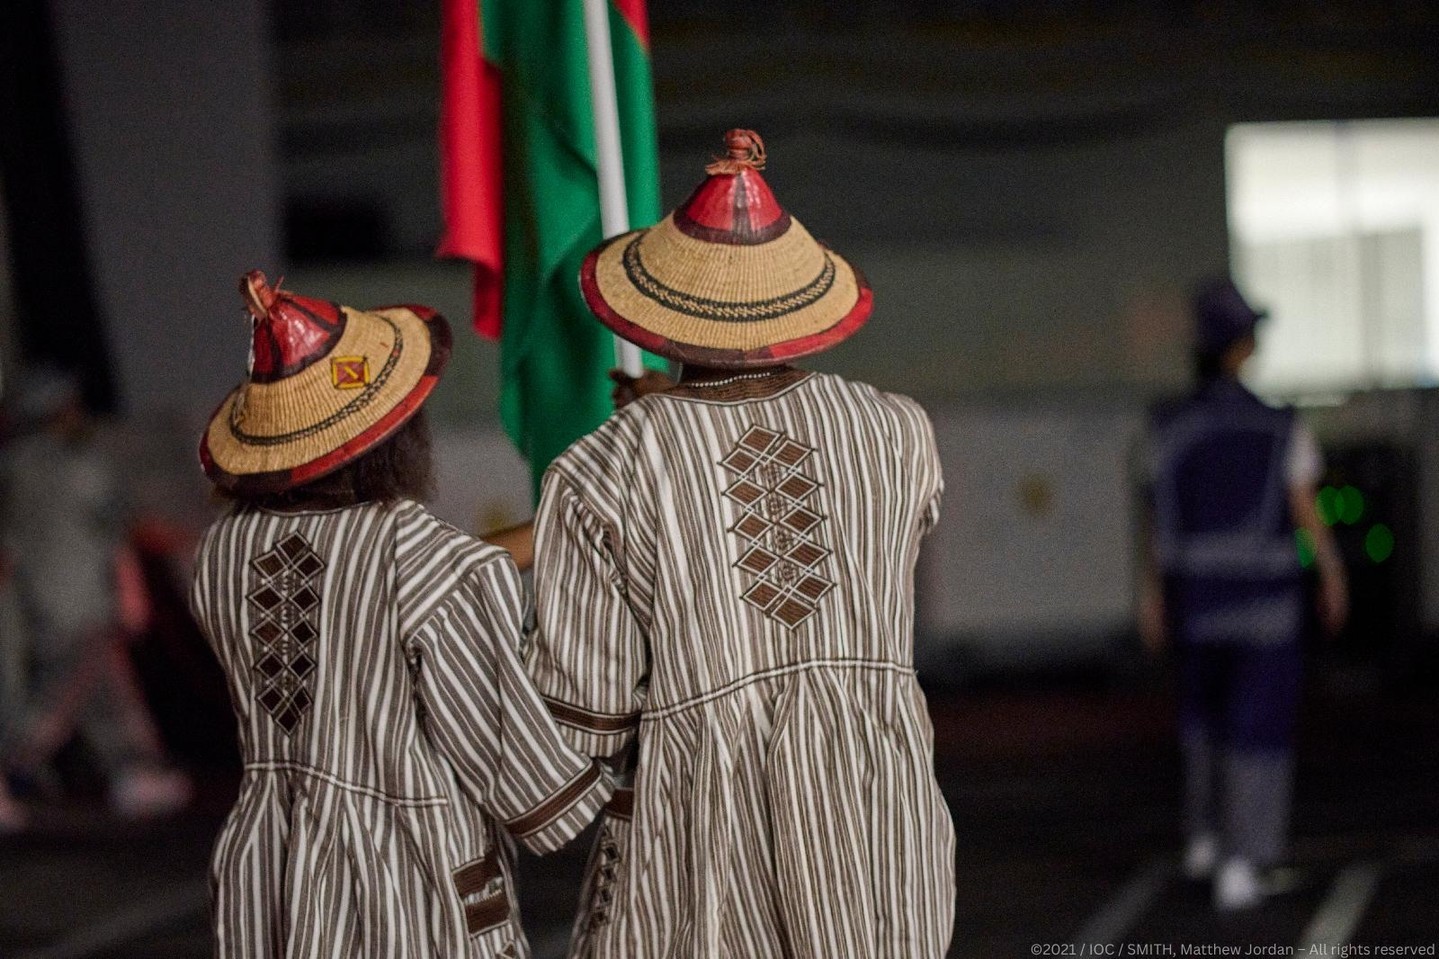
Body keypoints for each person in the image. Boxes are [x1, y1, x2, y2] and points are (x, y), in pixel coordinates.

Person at [526, 130, 956, 957]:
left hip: (704, 837)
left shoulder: (602, 467)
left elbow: (587, 713)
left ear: (660, 313)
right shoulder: (899, 431)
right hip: (879, 817)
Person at [190, 272, 612, 958]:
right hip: (402, 873)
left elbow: (353, 584)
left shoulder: (224, 554)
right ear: (388, 434)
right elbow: (507, 754)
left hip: (268, 858)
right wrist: (614, 767)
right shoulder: (423, 556)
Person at [1141, 277, 1347, 911]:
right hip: (1266, 603)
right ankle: (1242, 860)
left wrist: (1151, 597)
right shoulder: (1280, 427)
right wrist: (1333, 573)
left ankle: (1203, 836)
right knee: (1255, 731)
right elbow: (1304, 507)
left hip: (1194, 601)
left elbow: (1155, 519)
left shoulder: (1165, 428)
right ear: (1240, 348)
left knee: (1202, 722)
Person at [0, 368, 190, 827]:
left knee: (107, 688)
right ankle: (13, 764)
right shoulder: (76, 464)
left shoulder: (13, 468)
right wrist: (181, 540)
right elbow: (121, 523)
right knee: (59, 697)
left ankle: (134, 769)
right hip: (80, 600)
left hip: (43, 602)